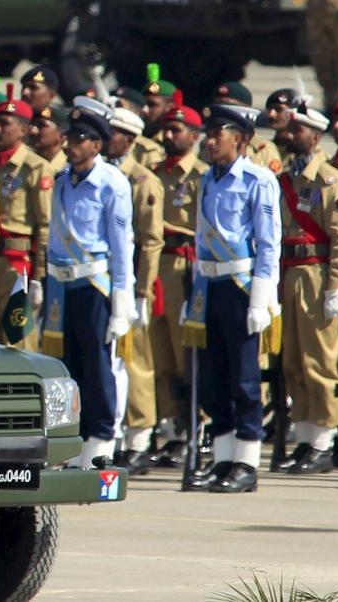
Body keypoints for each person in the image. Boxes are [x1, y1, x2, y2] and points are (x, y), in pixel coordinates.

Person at [184, 103, 279, 494]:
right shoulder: (207, 178)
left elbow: (268, 243)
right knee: (213, 378)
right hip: (210, 284)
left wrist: (261, 298)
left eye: (216, 135)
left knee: (244, 378)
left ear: (239, 140)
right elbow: (200, 237)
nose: (209, 142)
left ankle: (247, 462)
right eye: (208, 135)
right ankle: (222, 458)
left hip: (241, 285)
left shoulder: (258, 180)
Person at [44, 100, 136, 469]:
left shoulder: (111, 184)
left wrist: (122, 302)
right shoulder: (61, 180)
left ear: (97, 145)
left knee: (98, 368)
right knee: (70, 367)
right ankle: (75, 442)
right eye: (69, 137)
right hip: (62, 285)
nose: (70, 144)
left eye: (79, 139)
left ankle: (101, 440)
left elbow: (122, 245)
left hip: (94, 285)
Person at [273, 99, 338, 475]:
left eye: (299, 129)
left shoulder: (329, 180)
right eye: (290, 128)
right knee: (293, 362)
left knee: (319, 361)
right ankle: (304, 437)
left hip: (316, 275)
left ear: (316, 136)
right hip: (289, 273)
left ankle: (323, 439)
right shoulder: (285, 179)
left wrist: (335, 287)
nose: (291, 134)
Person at [103, 105, 163, 474]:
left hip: (131, 280)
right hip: (101, 279)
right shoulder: (100, 173)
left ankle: (139, 438)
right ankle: (110, 433)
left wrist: (142, 291)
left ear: (128, 139)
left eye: (111, 132)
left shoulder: (141, 180)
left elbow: (151, 241)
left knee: (135, 360)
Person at [149, 100, 205, 466]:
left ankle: (198, 426)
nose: (168, 135)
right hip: (156, 266)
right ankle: (170, 428)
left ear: (195, 136)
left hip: (186, 267)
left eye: (177, 130)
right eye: (166, 129)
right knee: (160, 355)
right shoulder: (155, 173)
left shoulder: (201, 175)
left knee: (188, 355)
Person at [0, 99, 51, 350]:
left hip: (18, 265)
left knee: (17, 341)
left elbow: (45, 225)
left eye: (4, 123)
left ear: (23, 130)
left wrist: (38, 277)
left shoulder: (35, 168)